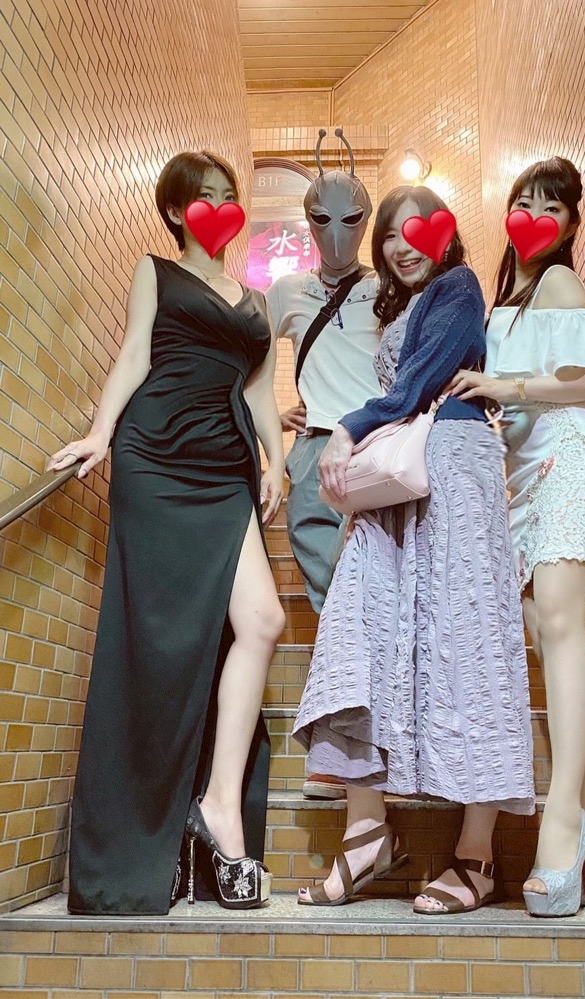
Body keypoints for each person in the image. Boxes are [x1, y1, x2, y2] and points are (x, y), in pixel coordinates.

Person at [48, 151, 286, 915]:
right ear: (179, 211)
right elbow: (134, 353)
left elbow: (257, 387)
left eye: (228, 194)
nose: (219, 205)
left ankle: (217, 801)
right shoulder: (155, 270)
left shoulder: (254, 300)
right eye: (204, 196)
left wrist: (275, 460)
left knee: (262, 619)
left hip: (225, 466)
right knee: (159, 641)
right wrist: (100, 433)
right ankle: (159, 821)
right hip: (156, 453)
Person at [292, 185, 534, 914]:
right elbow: (408, 385)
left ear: (445, 235)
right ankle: (367, 831)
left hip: (454, 467)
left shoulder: (458, 286)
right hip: (402, 476)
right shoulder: (396, 306)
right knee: (357, 629)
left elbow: (425, 377)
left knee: (467, 642)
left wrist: (348, 426)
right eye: (391, 235)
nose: (402, 246)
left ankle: (476, 854)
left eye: (416, 230)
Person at [450, 156, 585, 917]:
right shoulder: (510, 297)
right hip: (526, 474)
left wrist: (507, 386)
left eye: (550, 206)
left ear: (569, 223)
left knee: (558, 626)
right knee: (541, 629)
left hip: (571, 451)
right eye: (523, 203)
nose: (534, 216)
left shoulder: (557, 281)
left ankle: (562, 826)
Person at [266, 129, 382, 801]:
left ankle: (364, 750)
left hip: (376, 449)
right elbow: (251, 371)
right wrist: (272, 432)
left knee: (372, 595)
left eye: (351, 217)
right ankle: (344, 752)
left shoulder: (387, 286)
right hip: (313, 451)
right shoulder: (285, 292)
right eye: (320, 218)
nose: (336, 233)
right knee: (331, 595)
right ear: (305, 221)